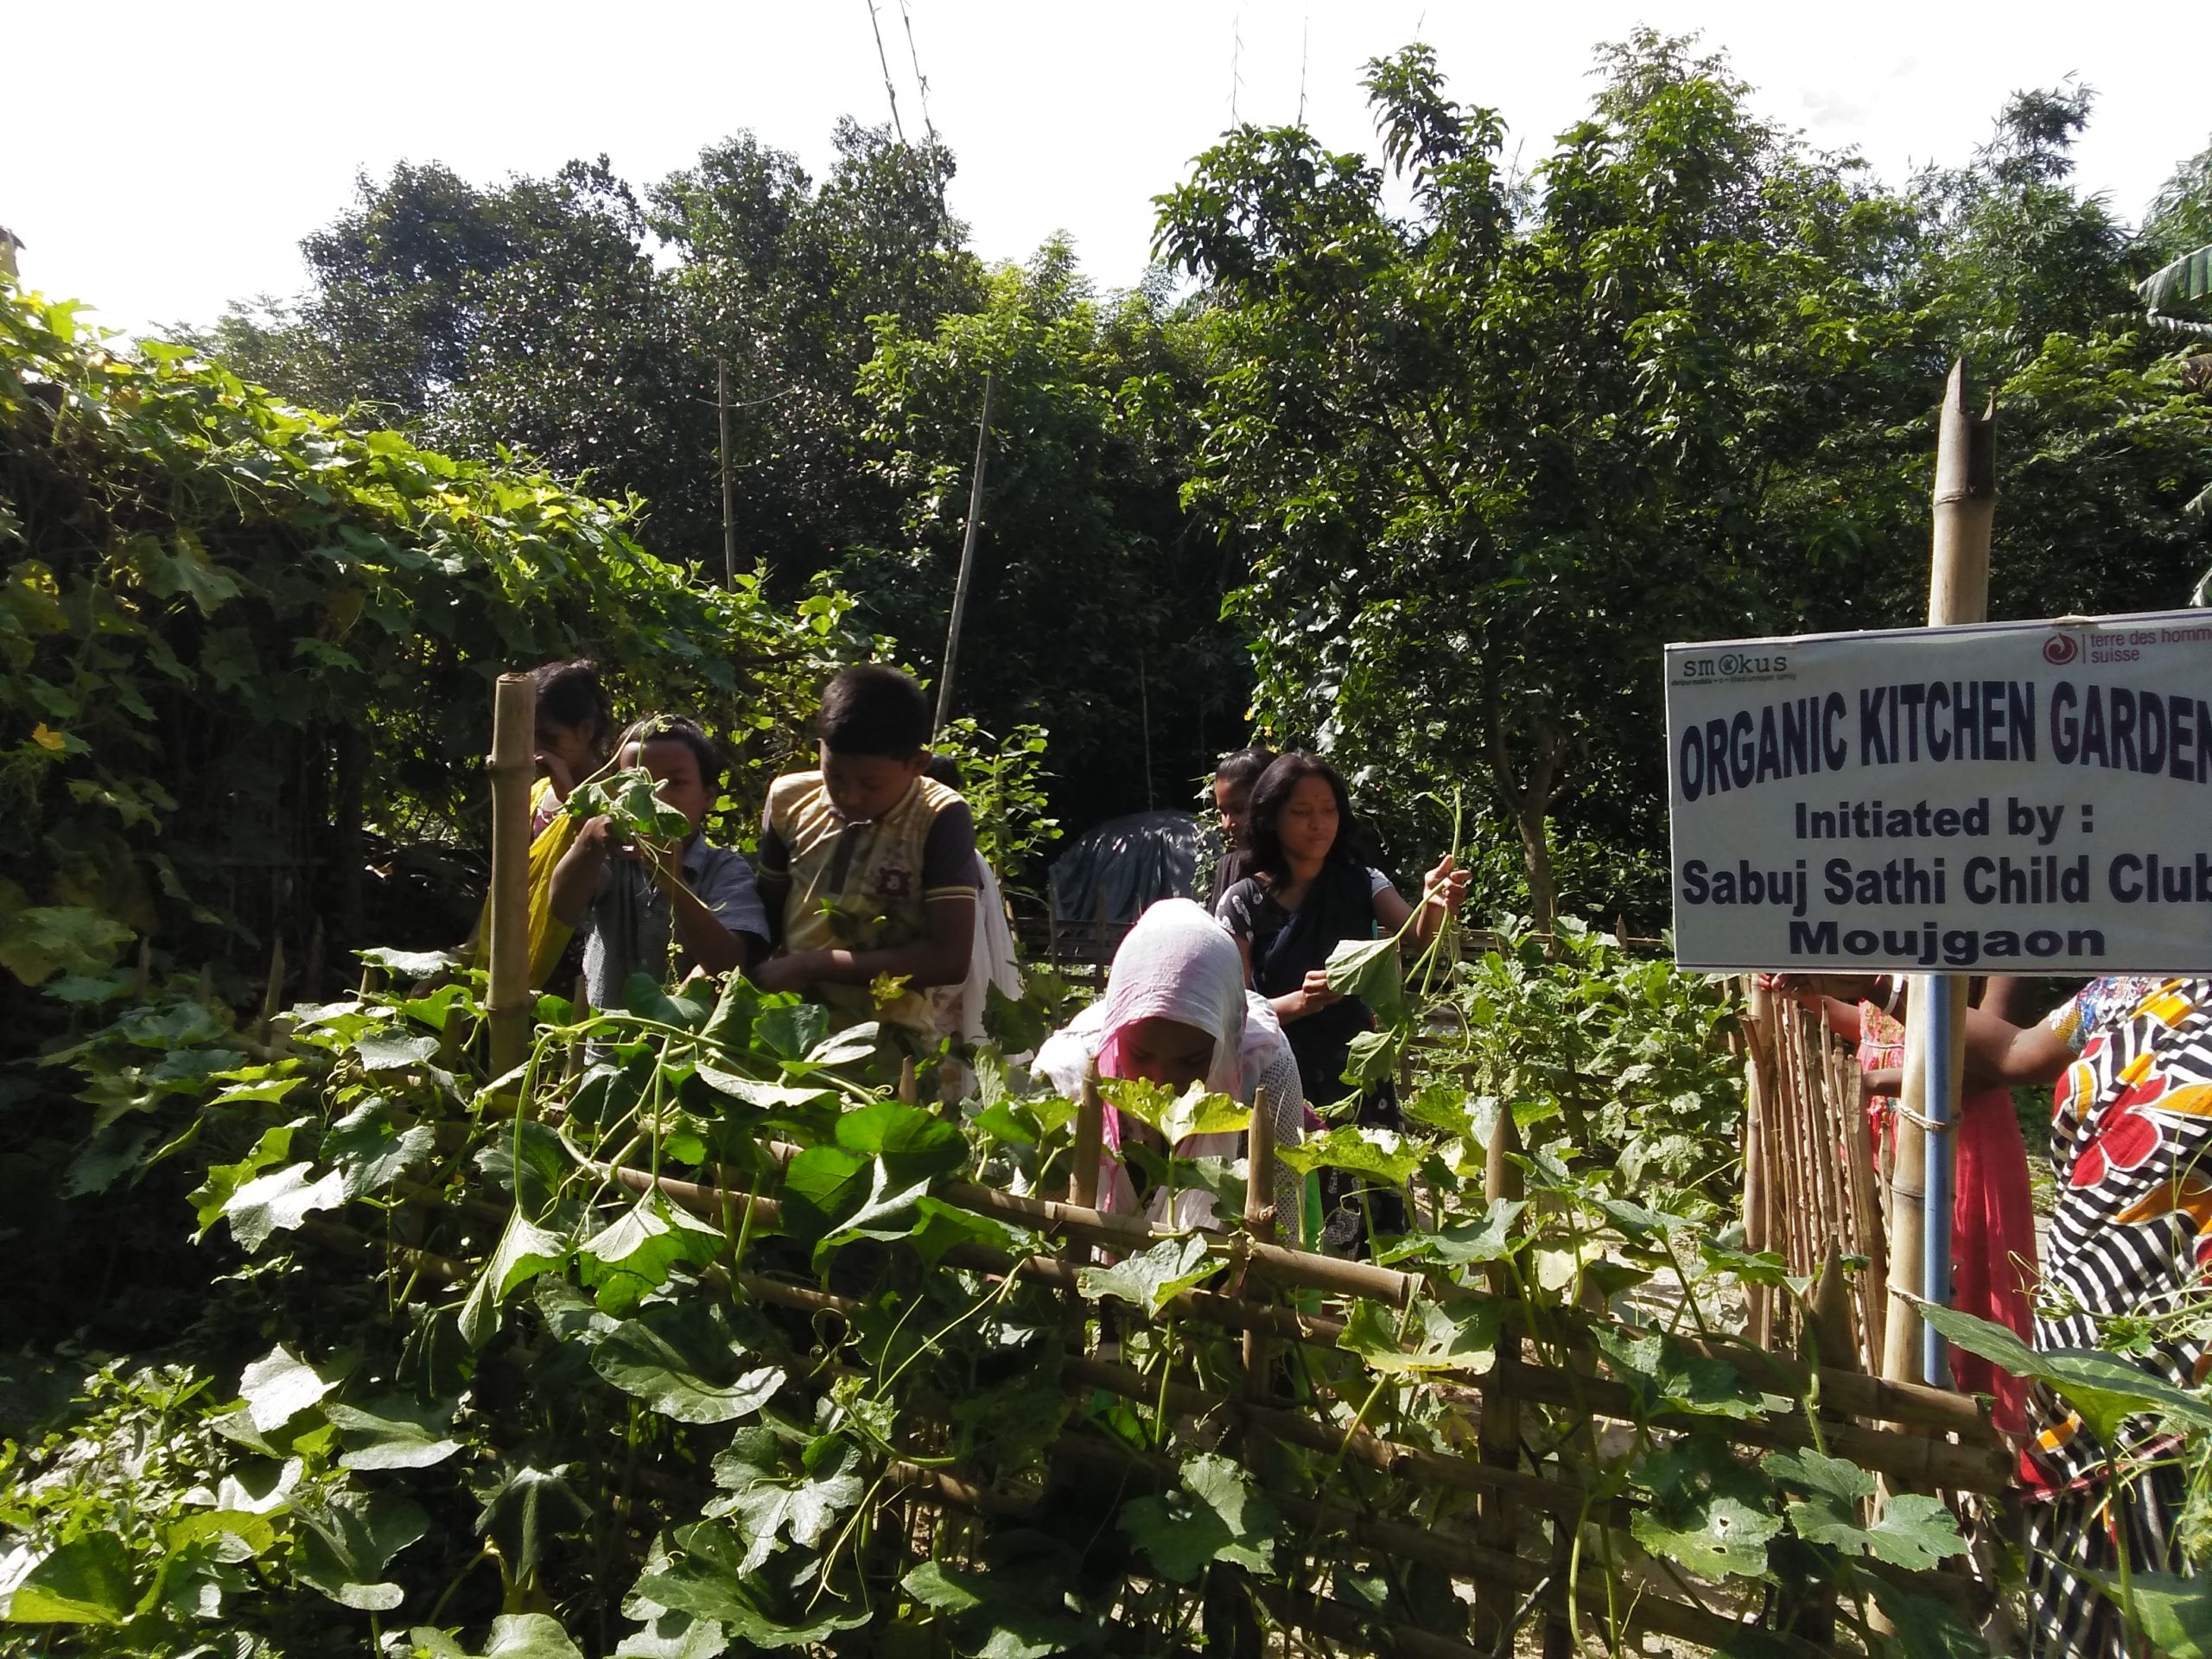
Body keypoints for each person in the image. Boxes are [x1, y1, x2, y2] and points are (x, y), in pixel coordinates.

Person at [2009, 977, 2212, 1658]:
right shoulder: (2135, 982)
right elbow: (2018, 1051)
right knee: (2077, 1560)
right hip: (2082, 1311)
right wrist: (1875, 984)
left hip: (2190, 1344)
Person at [1216, 751, 1467, 1251]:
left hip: (1357, 1067)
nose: (1318, 825)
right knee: (1293, 1198)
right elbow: (1238, 1010)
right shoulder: (1241, 902)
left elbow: (1416, 932)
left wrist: (1436, 901)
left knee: (1369, 1198)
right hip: (1282, 1071)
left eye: (1328, 810)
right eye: (1302, 812)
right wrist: (1300, 1002)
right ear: (1271, 817)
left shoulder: (1362, 881)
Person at [1769, 972, 2037, 1433]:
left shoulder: (2005, 945)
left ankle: (1975, 1429)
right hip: (1889, 1133)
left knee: (1963, 1283)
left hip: (1955, 1136)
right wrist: (1818, 1000)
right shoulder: (1897, 935)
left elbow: (1983, 1066)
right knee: (1890, 1271)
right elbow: (1880, 1027)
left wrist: (1875, 1081)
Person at [1033, 898, 1305, 1231]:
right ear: (1118, 1028)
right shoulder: (1069, 1072)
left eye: (1192, 1060)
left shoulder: (1262, 1062)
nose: (1162, 1081)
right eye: (1140, 1054)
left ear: (1225, 1042)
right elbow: (1038, 1223)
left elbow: (1285, 1223)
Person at [753, 665, 979, 1044]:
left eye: (871, 784)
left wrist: (814, 965)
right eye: (835, 776)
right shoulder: (788, 799)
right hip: (791, 1031)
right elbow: (764, 919)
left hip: (889, 1042)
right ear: (821, 747)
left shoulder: (941, 815)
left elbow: (949, 959)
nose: (850, 796)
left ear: (917, 765)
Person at [549, 715, 769, 1012]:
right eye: (637, 783)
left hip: (687, 1051)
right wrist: (588, 841)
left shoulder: (726, 870)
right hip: (600, 1049)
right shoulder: (610, 855)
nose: (654, 797)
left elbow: (729, 966)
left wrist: (673, 881)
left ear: (708, 797)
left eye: (675, 783)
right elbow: (562, 908)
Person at [925, 754, 1025, 1046]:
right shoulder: (968, 855)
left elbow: (962, 940)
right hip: (967, 990)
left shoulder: (949, 859)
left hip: (948, 997)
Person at [529, 659, 616, 834]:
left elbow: (608, 857)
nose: (535, 749)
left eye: (548, 737)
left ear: (586, 730)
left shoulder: (615, 798)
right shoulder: (537, 793)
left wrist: (569, 799)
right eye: (527, 738)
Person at [1205, 747, 1275, 916]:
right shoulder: (1229, 867)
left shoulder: (1305, 866)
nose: (1228, 824)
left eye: (1239, 810)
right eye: (1223, 813)